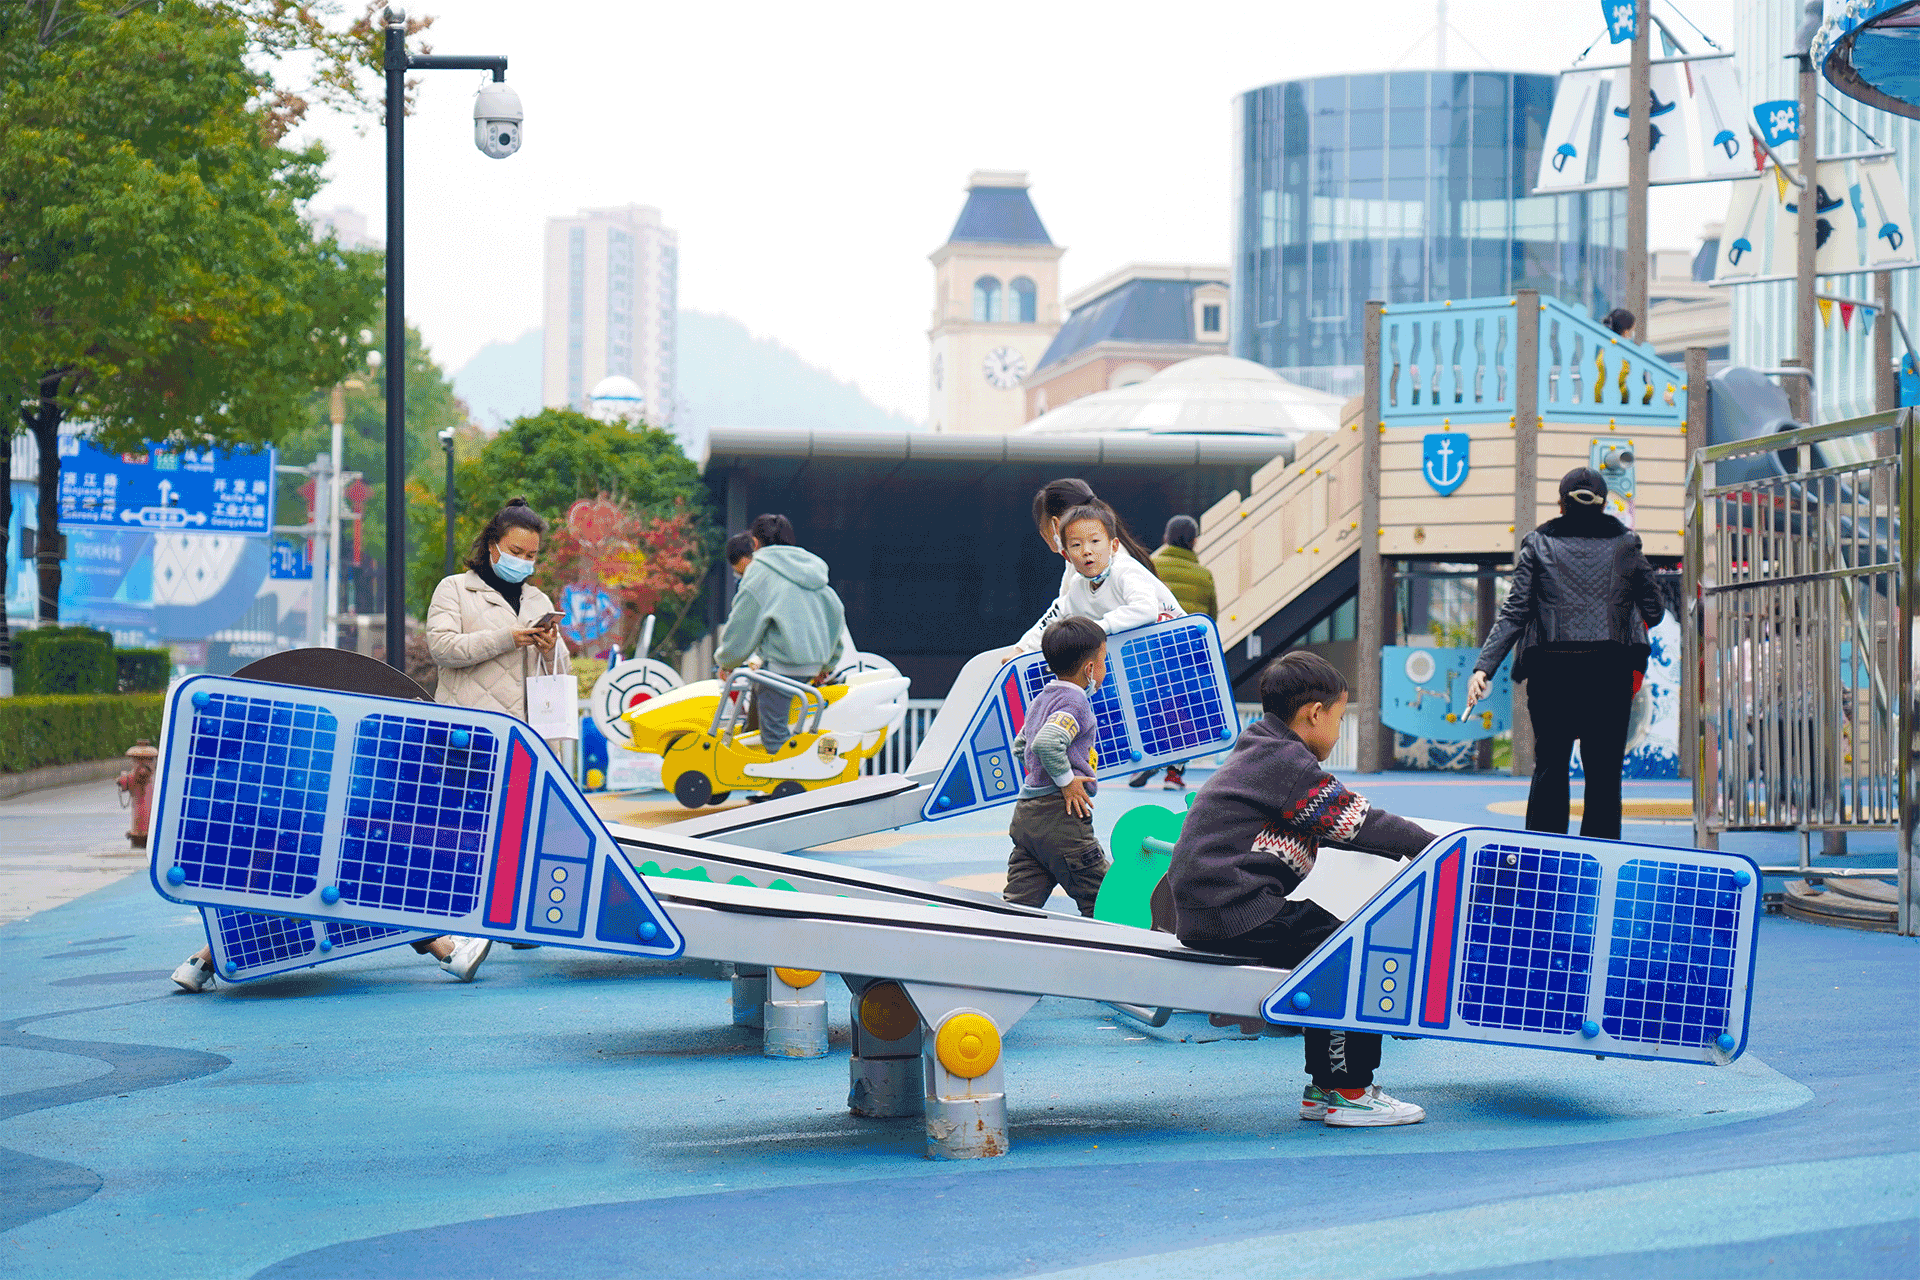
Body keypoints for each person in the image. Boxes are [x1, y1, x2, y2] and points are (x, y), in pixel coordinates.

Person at [1164, 651, 1437, 1127]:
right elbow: (1356, 822)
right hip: (1234, 905)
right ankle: (1350, 1091)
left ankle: (1323, 1087)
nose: (1336, 726)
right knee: (1351, 952)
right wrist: (1433, 847)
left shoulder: (1260, 749)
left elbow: (1325, 826)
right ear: (1315, 712)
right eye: (1338, 715)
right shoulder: (1287, 762)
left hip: (1210, 904)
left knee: (1324, 946)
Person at [1466, 467, 1664, 841]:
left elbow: (1515, 612)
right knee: (1604, 777)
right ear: (1606, 504)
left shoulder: (1538, 543)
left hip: (1551, 675)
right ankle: (1601, 862)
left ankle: (1543, 859)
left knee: (1550, 768)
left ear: (1560, 503)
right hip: (1609, 676)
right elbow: (1654, 609)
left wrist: (1484, 667)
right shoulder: (1627, 544)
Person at [1002, 617, 1112, 916]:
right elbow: (1047, 742)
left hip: (1027, 815)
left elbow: (1021, 745)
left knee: (1019, 905)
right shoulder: (1074, 703)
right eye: (1104, 661)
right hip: (1060, 818)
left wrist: (1038, 774)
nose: (1105, 669)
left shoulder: (1043, 698)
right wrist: (1066, 781)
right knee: (1104, 899)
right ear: (1090, 669)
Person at [714, 516, 846, 754]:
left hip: (782, 665)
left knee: (775, 738)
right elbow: (835, 611)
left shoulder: (760, 572)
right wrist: (829, 661)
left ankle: (786, 785)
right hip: (813, 666)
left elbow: (742, 622)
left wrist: (727, 661)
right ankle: (752, 766)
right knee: (758, 708)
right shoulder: (813, 569)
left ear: (754, 543)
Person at [1009, 504, 1181, 659]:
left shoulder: (1126, 570)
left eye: (1095, 541)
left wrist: (1095, 629)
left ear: (1113, 546)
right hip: (1148, 657)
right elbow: (1056, 616)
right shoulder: (1078, 586)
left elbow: (1145, 609)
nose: (1086, 551)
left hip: (1181, 646)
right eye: (1076, 545)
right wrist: (1025, 652)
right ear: (1066, 556)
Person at [1131, 514, 1217, 790]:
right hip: (1189, 655)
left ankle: (1144, 761)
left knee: (1151, 707)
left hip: (1154, 652)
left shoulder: (1152, 567)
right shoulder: (1203, 575)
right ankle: (1174, 775)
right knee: (1185, 713)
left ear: (1166, 538)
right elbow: (1211, 618)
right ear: (1194, 541)